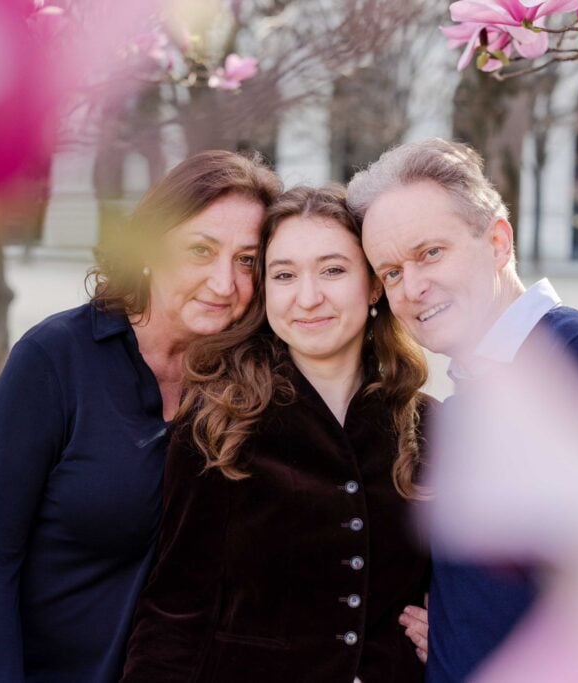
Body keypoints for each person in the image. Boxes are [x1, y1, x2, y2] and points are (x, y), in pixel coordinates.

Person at [346, 138, 578, 682]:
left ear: (497, 241)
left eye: (430, 253)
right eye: (390, 272)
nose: (412, 287)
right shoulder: (476, 395)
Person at [0, 150, 282, 682]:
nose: (226, 284)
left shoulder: (252, 375)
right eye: (201, 250)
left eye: (247, 260)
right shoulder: (54, 360)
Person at [121, 186, 434, 682]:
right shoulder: (219, 420)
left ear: (373, 285)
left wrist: (454, 626)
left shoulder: (430, 427)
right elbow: (177, 607)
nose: (307, 298)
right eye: (284, 275)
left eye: (333, 270)